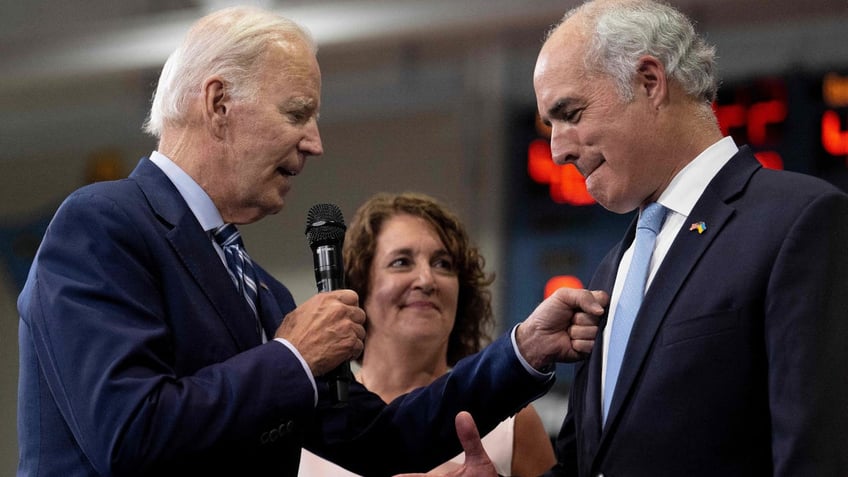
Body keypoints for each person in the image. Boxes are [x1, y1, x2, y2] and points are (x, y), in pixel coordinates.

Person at [16, 6, 607, 477]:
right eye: (298, 113)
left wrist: (524, 349)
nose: (315, 142)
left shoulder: (260, 289)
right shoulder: (103, 224)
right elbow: (129, 434)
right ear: (219, 103)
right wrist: (290, 358)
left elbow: (379, 439)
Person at [419, 0, 848, 476]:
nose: (557, 150)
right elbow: (592, 463)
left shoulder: (797, 221)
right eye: (549, 124)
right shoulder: (615, 266)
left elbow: (817, 454)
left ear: (649, 82)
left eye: (570, 113)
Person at [299, 192, 556, 476]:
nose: (426, 280)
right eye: (401, 262)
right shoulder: (313, 420)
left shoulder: (514, 423)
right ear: (359, 287)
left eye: (443, 264)